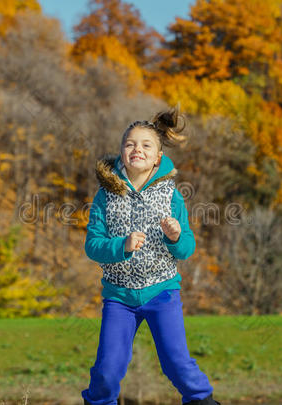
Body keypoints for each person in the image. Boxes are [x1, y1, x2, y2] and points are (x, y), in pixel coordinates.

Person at [81, 106, 221, 405]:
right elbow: (92, 245)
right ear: (121, 153)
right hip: (119, 297)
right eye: (130, 144)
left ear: (158, 157)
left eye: (146, 145)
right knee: (107, 370)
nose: (137, 149)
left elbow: (187, 248)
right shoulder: (105, 195)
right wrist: (121, 246)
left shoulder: (171, 194)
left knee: (177, 365)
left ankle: (202, 401)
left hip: (162, 292)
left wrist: (175, 237)